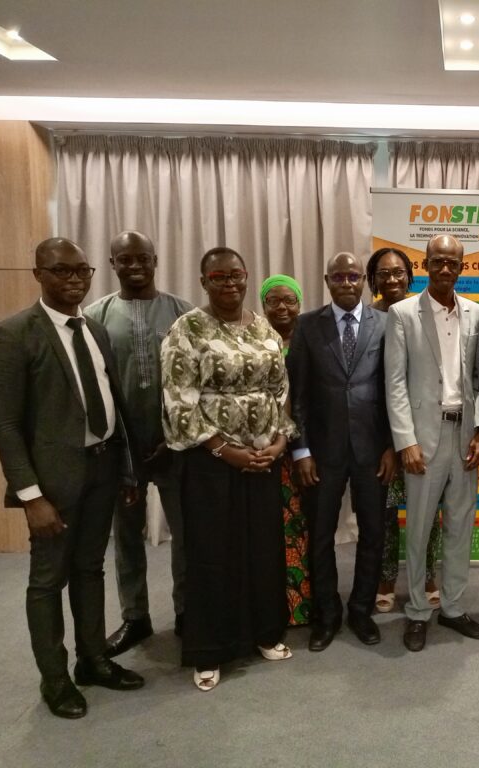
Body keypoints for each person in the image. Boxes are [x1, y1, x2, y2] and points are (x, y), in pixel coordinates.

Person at [0, 237, 144, 719]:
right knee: (47, 580)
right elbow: (5, 425)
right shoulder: (12, 334)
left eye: (82, 270)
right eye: (62, 270)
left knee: (90, 569)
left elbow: (111, 404)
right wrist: (31, 496)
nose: (74, 279)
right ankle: (54, 679)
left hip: (102, 468)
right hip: (53, 484)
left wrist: (126, 471)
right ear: (38, 273)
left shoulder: (94, 330)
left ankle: (92, 660)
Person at [162, 246, 295, 691]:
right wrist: (223, 449)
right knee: (212, 556)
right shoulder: (187, 329)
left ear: (246, 276)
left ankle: (265, 633)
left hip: (263, 459)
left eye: (236, 274)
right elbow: (178, 401)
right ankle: (209, 650)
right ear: (204, 282)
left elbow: (280, 390)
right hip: (210, 464)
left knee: (262, 550)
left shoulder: (263, 328)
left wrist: (280, 441)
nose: (229, 283)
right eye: (218, 276)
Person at [84, 231, 193, 655]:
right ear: (112, 263)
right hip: (120, 449)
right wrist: (116, 447)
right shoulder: (94, 317)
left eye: (142, 258)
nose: (134, 266)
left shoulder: (183, 313)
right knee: (127, 536)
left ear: (155, 260)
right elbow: (92, 390)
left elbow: (196, 384)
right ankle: (135, 617)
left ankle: (187, 612)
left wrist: (174, 436)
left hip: (176, 445)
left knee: (186, 535)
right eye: (125, 259)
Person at [384, 234, 479, 652]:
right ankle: (416, 612)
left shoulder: (477, 313)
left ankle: (453, 607)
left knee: (461, 525)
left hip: (464, 435)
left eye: (453, 262)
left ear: (462, 267)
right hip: (423, 439)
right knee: (420, 529)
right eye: (438, 261)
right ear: (424, 264)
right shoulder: (402, 313)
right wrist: (405, 440)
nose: (446, 268)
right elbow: (395, 382)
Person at [287, 253, 394, 652]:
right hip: (322, 452)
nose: (347, 283)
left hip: (373, 451)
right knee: (320, 536)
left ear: (364, 280)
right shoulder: (306, 326)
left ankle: (361, 611)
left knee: (373, 534)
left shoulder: (386, 324)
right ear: (327, 280)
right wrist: (301, 450)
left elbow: (393, 390)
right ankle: (326, 615)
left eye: (353, 276)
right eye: (339, 276)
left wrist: (391, 446)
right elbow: (297, 394)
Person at [367, 247, 443, 613]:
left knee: (426, 510)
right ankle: (386, 578)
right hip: (378, 432)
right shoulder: (367, 320)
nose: (392, 279)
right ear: (373, 280)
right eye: (383, 273)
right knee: (385, 514)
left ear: (410, 276)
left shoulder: (422, 314)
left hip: (421, 430)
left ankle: (428, 575)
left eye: (399, 272)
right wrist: (389, 443)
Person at [260, 273, 311, 627]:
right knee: (268, 529)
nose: (282, 307)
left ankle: (301, 604)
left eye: (289, 300)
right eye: (273, 301)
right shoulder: (254, 340)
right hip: (265, 449)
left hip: (305, 449)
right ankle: (268, 602)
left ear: (299, 304)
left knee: (302, 527)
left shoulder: (311, 338)